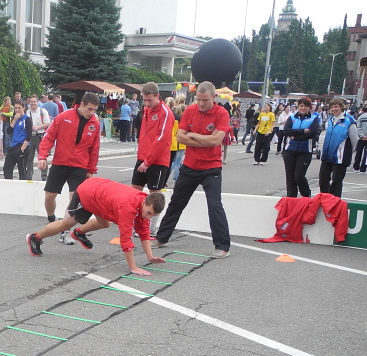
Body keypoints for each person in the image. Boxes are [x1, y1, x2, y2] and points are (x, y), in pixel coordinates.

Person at [152, 81, 231, 258]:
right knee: (176, 203)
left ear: (213, 97)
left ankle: (222, 246)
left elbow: (216, 141)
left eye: (205, 100)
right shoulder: (190, 110)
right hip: (189, 166)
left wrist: (193, 135)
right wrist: (204, 139)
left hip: (211, 167)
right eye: (198, 99)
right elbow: (180, 137)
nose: (201, 103)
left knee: (214, 205)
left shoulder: (221, 113)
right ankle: (161, 237)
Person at [26, 178, 167, 275]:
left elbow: (144, 232)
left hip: (101, 196)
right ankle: (35, 238)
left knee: (105, 223)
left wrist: (150, 257)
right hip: (87, 192)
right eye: (149, 213)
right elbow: (126, 239)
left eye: (153, 216)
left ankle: (79, 233)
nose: (149, 217)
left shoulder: (144, 204)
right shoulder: (128, 207)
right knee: (65, 224)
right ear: (144, 203)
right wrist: (133, 267)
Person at [37, 92, 101, 224]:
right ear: (81, 104)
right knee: (49, 195)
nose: (91, 113)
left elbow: (95, 149)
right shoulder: (64, 116)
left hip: (79, 165)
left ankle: (65, 227)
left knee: (74, 199)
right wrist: (42, 156)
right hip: (60, 162)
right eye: (89, 109)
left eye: (94, 110)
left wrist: (91, 170)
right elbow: (49, 136)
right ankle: (51, 219)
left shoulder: (95, 123)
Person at [132, 82, 174, 192]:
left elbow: (161, 139)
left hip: (157, 161)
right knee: (134, 192)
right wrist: (142, 157)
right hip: (142, 157)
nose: (147, 103)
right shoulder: (146, 110)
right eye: (144, 100)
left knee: (154, 196)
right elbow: (144, 133)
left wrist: (148, 161)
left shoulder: (165, 113)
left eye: (150, 100)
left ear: (157, 96)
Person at [318, 97, 359, 197]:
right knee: (323, 179)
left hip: (340, 157)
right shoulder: (330, 119)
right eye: (332, 107)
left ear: (341, 107)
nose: (334, 109)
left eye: (336, 106)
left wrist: (349, 152)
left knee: (336, 181)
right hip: (327, 155)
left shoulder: (349, 120)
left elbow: (354, 139)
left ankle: (335, 201)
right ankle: (325, 199)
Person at [281, 97, 320, 198]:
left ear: (309, 107)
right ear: (298, 106)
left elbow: (312, 133)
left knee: (298, 176)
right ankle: (291, 198)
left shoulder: (314, 118)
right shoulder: (292, 118)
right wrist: (303, 131)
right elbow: (286, 131)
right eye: (301, 106)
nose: (303, 108)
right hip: (289, 150)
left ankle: (306, 195)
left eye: (306, 106)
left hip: (305, 151)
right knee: (290, 177)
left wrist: (295, 137)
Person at [25, 95, 51, 180]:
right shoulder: (27, 112)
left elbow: (47, 123)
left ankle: (44, 177)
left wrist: (37, 127)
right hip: (30, 137)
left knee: (42, 157)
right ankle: (29, 177)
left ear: (37, 102)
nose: (33, 103)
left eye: (34, 101)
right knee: (29, 158)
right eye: (31, 102)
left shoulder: (43, 111)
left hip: (40, 136)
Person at [3, 100, 31, 180]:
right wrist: (14, 120)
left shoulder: (27, 119)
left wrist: (22, 148)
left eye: (19, 108)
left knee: (22, 170)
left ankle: (23, 184)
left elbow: (29, 135)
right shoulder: (15, 119)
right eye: (16, 108)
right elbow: (9, 131)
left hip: (22, 145)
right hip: (14, 145)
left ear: (23, 108)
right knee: (7, 168)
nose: (17, 110)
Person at [352, 104, 367, 173]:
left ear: (362, 111)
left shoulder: (360, 117)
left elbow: (357, 127)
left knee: (358, 152)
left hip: (361, 138)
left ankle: (356, 167)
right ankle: (363, 168)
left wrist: (361, 135)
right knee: (366, 154)